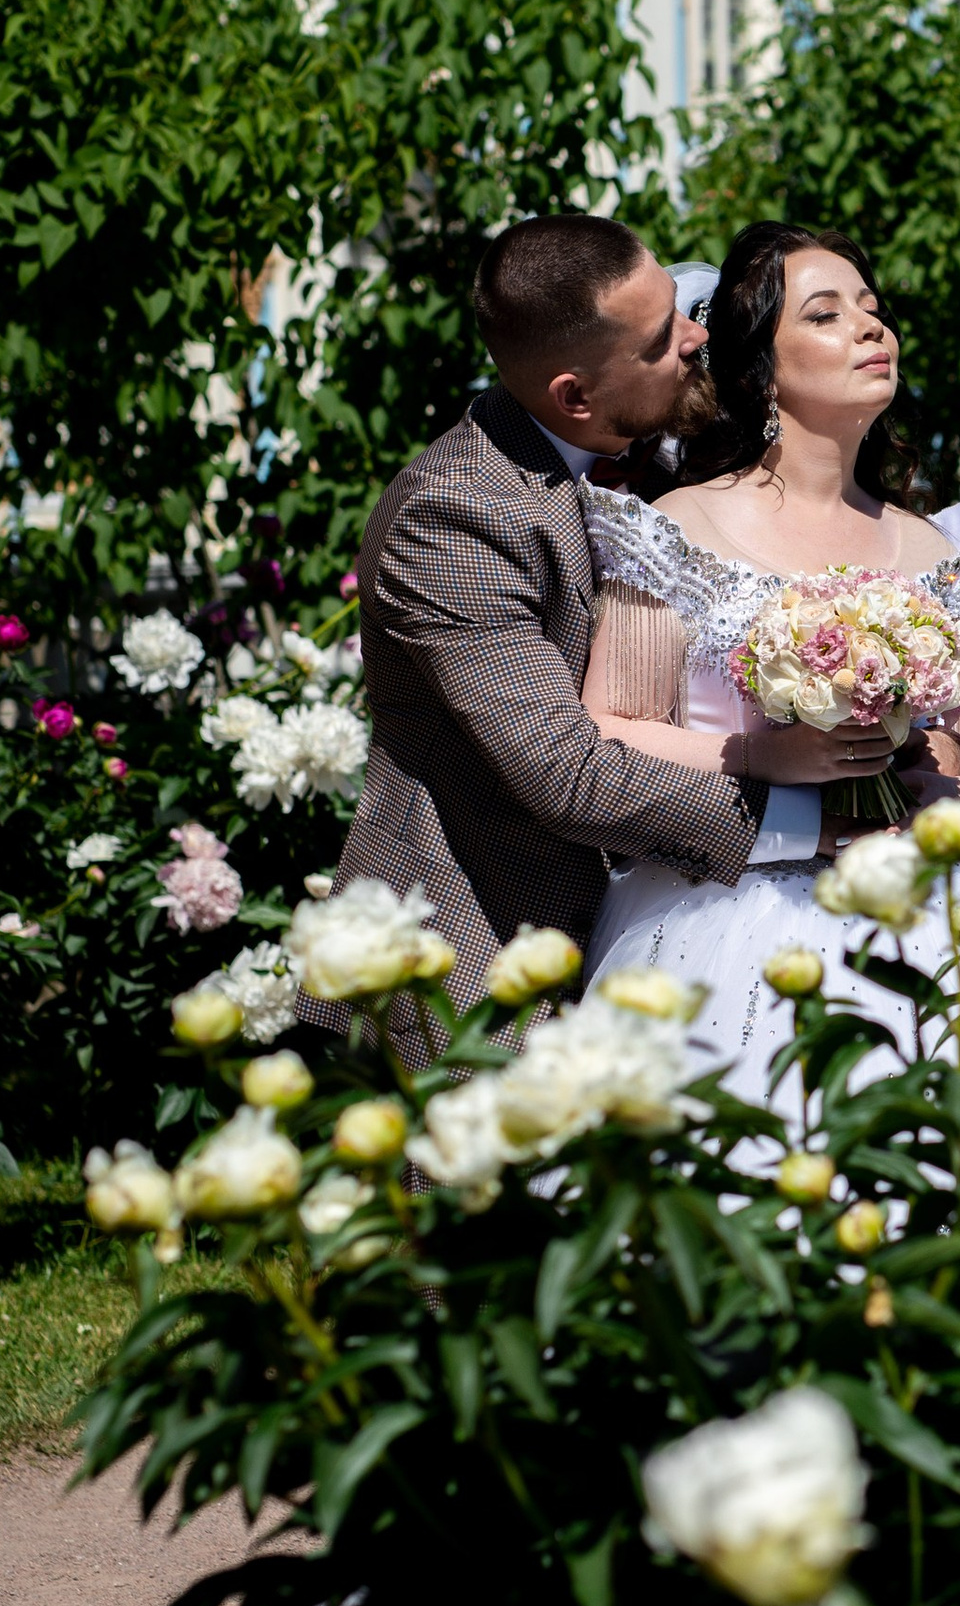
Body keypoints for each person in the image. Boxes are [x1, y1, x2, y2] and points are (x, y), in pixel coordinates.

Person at [321, 214, 833, 1012]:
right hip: (476, 969)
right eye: (662, 338)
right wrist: (815, 811)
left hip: (653, 941)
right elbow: (570, 774)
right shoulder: (455, 516)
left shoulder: (646, 444)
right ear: (576, 394)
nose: (697, 337)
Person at [578, 220, 960, 1094]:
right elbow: (611, 729)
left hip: (931, 904)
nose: (871, 327)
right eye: (827, 315)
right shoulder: (678, 527)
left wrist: (937, 796)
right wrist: (764, 759)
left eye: (872, 309)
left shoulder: (932, 544)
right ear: (762, 368)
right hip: (734, 916)